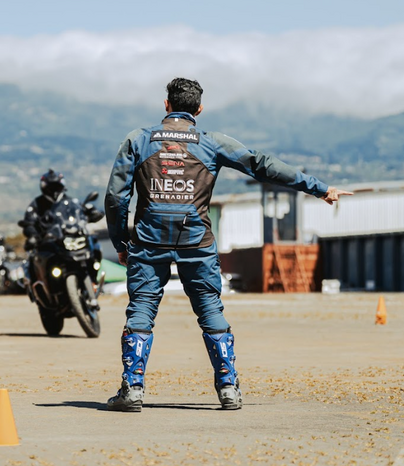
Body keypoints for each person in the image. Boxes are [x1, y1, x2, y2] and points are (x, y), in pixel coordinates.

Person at [104, 78, 353, 412]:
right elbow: (262, 165)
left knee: (142, 311)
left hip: (149, 241)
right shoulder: (211, 143)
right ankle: (228, 389)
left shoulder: (139, 140)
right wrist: (319, 188)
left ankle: (132, 389)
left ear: (166, 105)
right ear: (199, 109)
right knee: (209, 309)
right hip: (197, 241)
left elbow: (115, 197)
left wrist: (121, 241)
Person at [21, 169, 69, 251]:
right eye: (51, 187)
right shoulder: (37, 204)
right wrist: (34, 236)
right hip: (45, 245)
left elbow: (80, 214)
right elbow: (29, 223)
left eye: (56, 186)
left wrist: (91, 213)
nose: (54, 190)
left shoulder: (69, 202)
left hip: (68, 242)